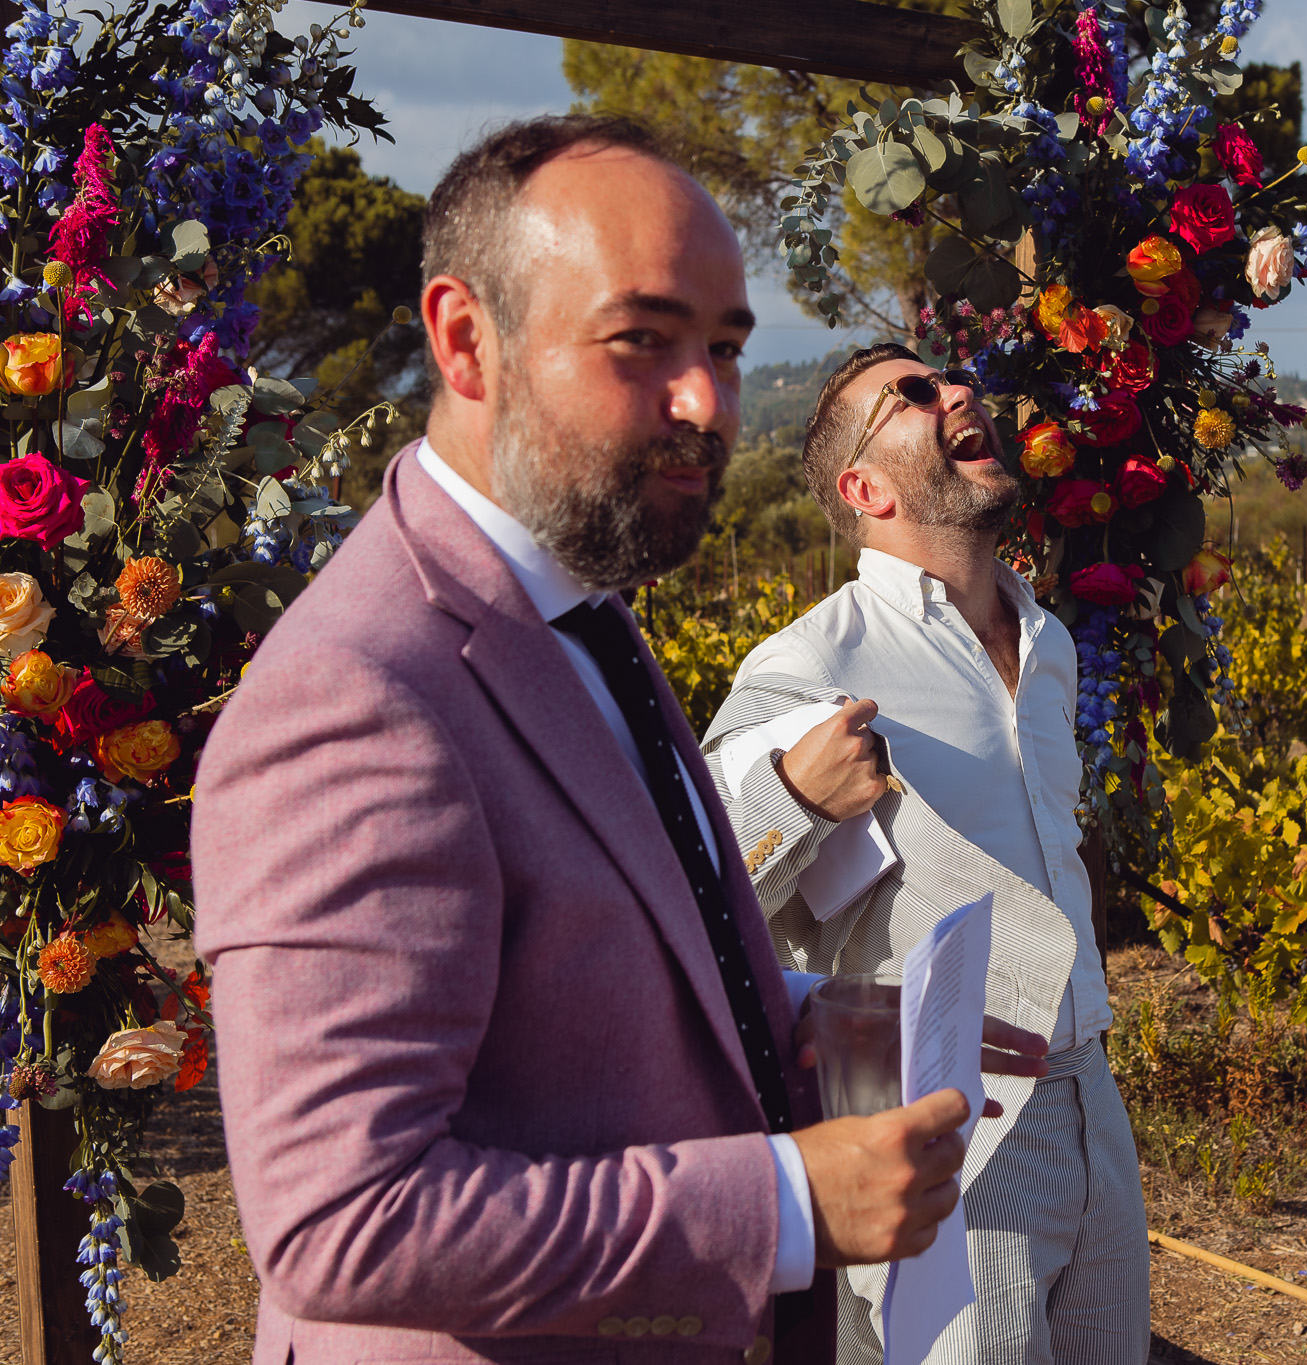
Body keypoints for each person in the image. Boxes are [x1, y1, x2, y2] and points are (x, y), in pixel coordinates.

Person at [192, 117, 1043, 1365]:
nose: (705, 400)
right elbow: (340, 1223)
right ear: (465, 339)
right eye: (642, 339)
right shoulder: (356, 696)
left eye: (725, 347)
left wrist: (832, 1018)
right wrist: (788, 1201)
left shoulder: (578, 612)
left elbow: (588, 969)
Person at [703, 343, 1150, 1365]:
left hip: (1092, 1093)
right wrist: (790, 798)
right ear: (863, 489)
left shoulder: (1051, 645)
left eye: (950, 381)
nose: (954, 394)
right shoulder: (809, 662)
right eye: (909, 396)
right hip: (950, 1120)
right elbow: (701, 890)